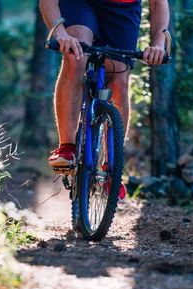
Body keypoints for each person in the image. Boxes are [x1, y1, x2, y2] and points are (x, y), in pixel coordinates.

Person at [40, 0, 171, 200]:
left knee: (119, 80)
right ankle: (67, 147)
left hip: (123, 8)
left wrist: (158, 44)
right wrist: (60, 34)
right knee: (75, 58)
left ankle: (113, 167)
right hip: (80, 3)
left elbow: (158, 3)